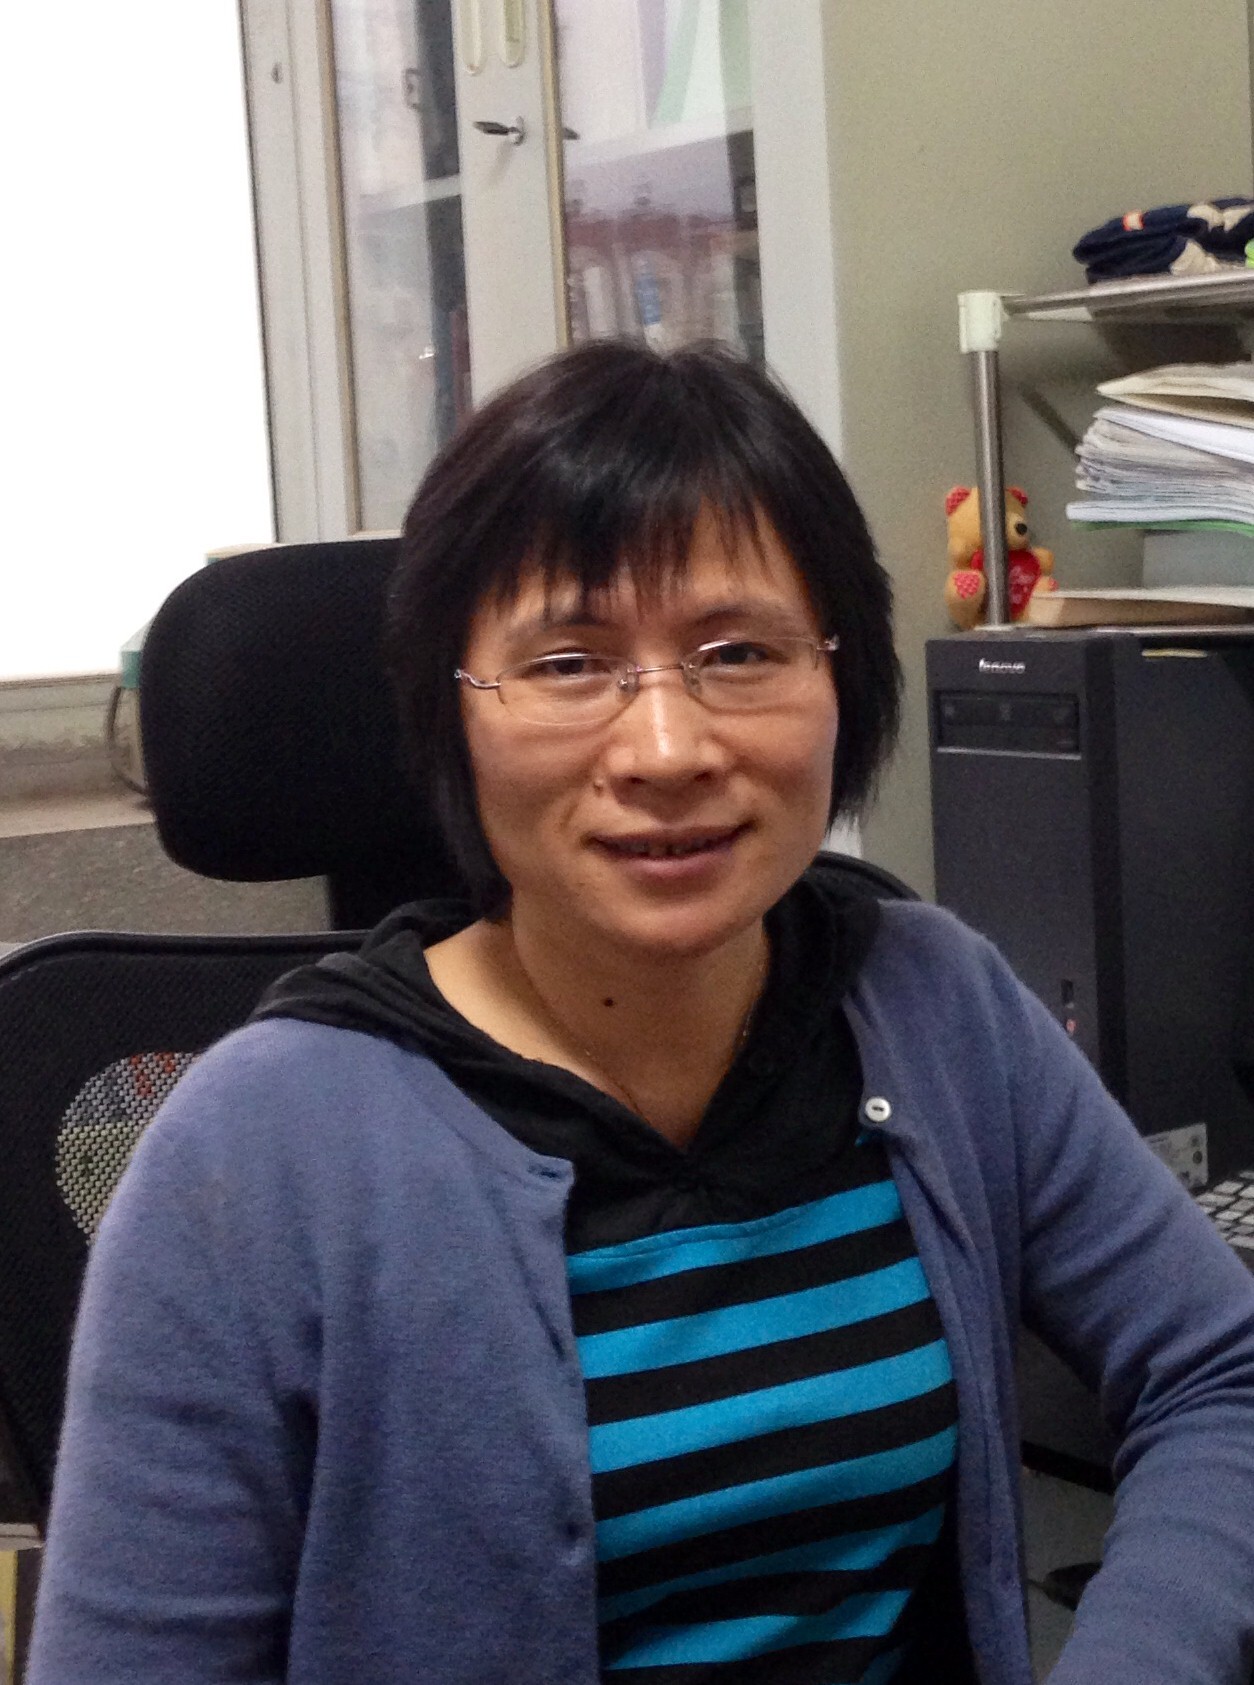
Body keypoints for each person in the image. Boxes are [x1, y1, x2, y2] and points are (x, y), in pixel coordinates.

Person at [27, 339, 1254, 1685]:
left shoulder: (933, 1005)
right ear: (452, 711)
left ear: (839, 677)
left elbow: (1221, 1374)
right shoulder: (257, 1150)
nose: (667, 749)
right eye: (568, 662)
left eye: (739, 651)